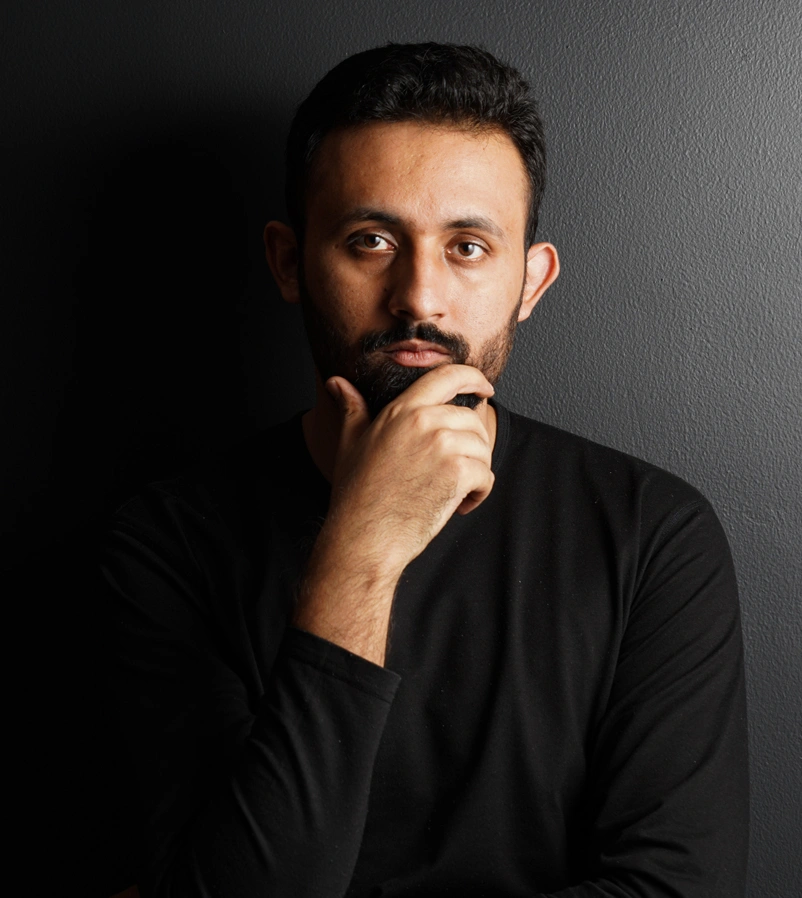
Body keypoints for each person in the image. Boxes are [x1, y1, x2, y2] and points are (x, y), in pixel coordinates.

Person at [101, 42, 749, 897]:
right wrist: (363, 547)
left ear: (531, 282)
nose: (419, 296)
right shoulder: (168, 544)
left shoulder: (651, 535)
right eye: (371, 241)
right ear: (290, 262)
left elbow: (674, 887)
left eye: (468, 247)